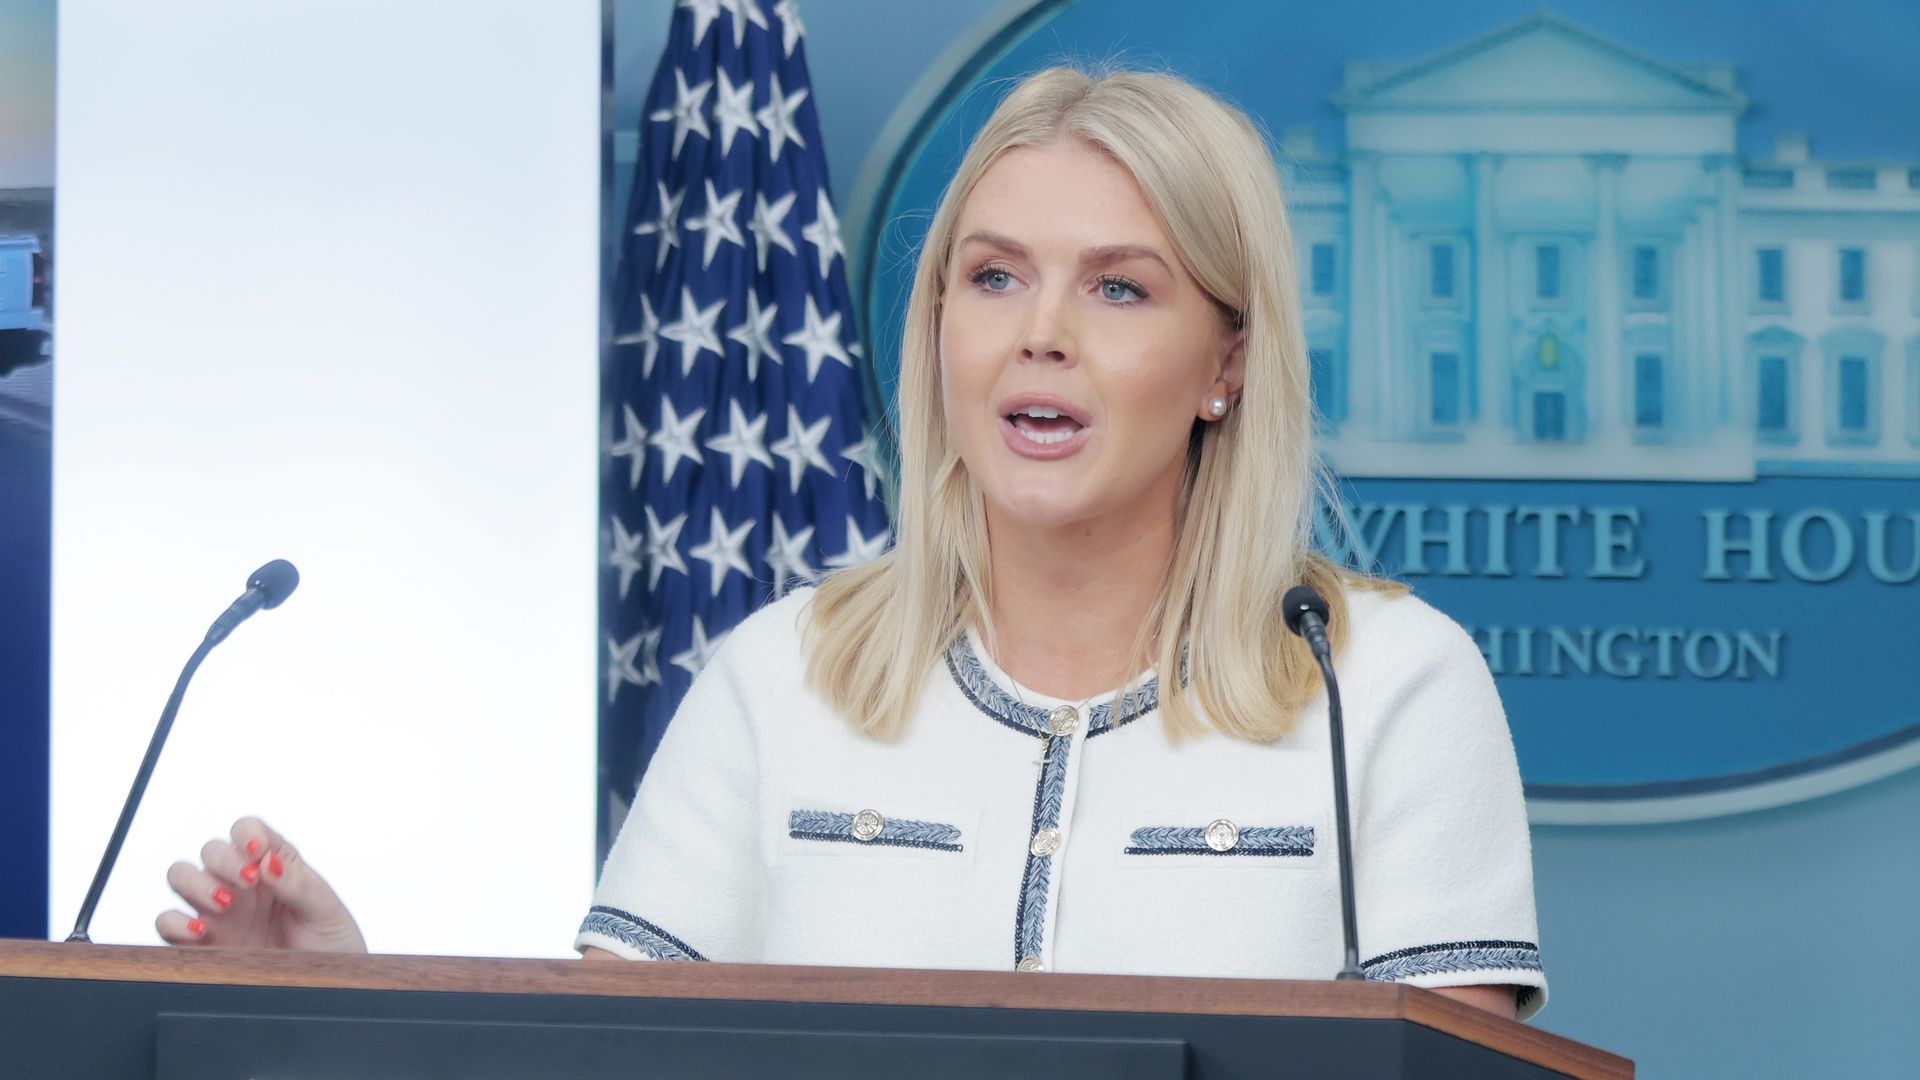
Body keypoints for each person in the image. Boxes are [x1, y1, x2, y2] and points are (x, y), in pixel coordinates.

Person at [157, 65, 1546, 1020]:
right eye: (992, 276)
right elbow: (600, 1061)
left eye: (1118, 287)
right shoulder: (782, 675)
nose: (1037, 332)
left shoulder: (1392, 685)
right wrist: (345, 1003)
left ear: (1225, 364)